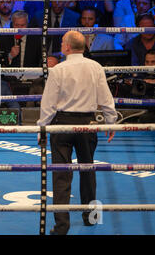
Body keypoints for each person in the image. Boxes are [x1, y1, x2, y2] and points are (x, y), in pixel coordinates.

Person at [37, 30, 117, 235]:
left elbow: (48, 105)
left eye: (63, 42)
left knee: (61, 176)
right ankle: (90, 218)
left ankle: (62, 226)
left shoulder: (58, 70)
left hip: (62, 124)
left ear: (68, 47)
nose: (61, 45)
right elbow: (106, 98)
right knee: (87, 171)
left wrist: (42, 129)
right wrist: (111, 122)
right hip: (87, 124)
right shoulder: (95, 67)